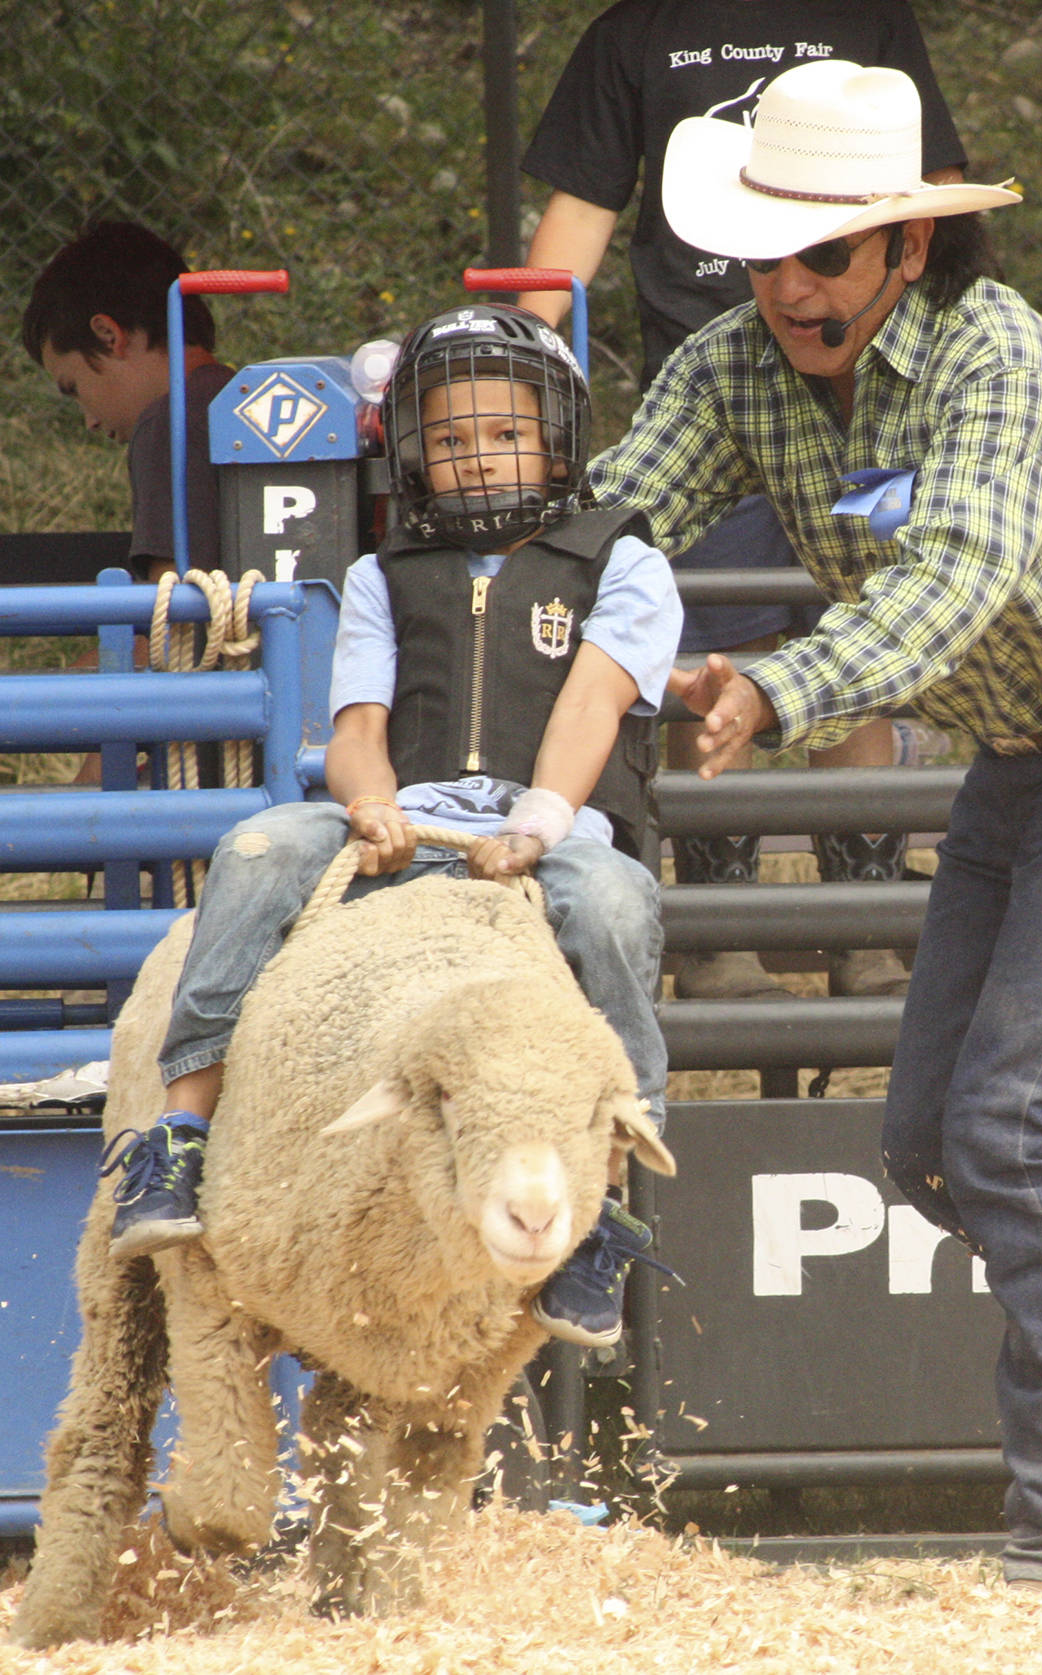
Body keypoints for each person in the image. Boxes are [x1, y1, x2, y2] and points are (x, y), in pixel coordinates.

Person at [587, 57, 1042, 1586]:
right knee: (930, 1143)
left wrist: (773, 686)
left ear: (909, 245)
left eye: (824, 253)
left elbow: (953, 583)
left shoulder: (1005, 359)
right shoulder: (731, 365)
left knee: (1007, 1127)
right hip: (1030, 758)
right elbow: (611, 517)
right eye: (763, 253)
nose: (789, 287)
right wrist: (476, 570)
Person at [96, 303, 683, 1350]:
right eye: (449, 438)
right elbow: (358, 730)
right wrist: (370, 807)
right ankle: (181, 1129)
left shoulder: (623, 563)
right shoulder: (381, 574)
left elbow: (592, 707)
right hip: (412, 818)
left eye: (505, 433)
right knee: (258, 847)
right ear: (409, 452)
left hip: (557, 826)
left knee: (615, 905)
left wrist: (540, 826)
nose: (477, 457)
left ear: (558, 441)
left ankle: (607, 1199)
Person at [520, 1, 969, 1000]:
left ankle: (863, 926)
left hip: (869, 390)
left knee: (858, 625)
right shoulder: (636, 30)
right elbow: (581, 208)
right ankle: (716, 936)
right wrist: (517, 364)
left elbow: (932, 186)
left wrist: (940, 325)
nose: (789, 270)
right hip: (725, 395)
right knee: (714, 644)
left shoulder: (867, 15)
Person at [22, 220, 233, 583]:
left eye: (74, 387)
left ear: (108, 335)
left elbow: (173, 610)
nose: (89, 421)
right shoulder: (235, 400)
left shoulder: (169, 426)